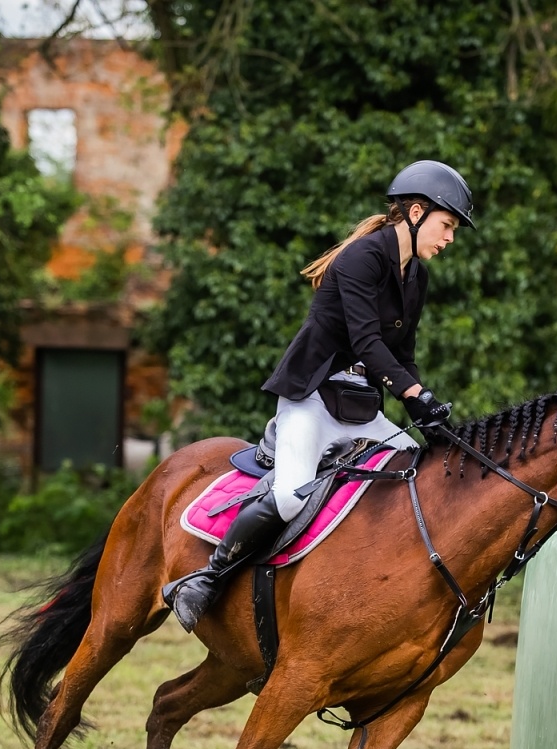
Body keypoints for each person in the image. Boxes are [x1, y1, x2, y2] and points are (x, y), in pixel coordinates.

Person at [163, 160, 473, 632]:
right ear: (415, 212)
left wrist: (424, 407)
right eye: (447, 225)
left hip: (360, 409)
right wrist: (414, 394)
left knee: (416, 474)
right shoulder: (361, 259)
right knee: (289, 497)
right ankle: (207, 578)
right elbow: (367, 342)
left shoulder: (416, 278)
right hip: (311, 399)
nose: (449, 238)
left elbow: (401, 354)